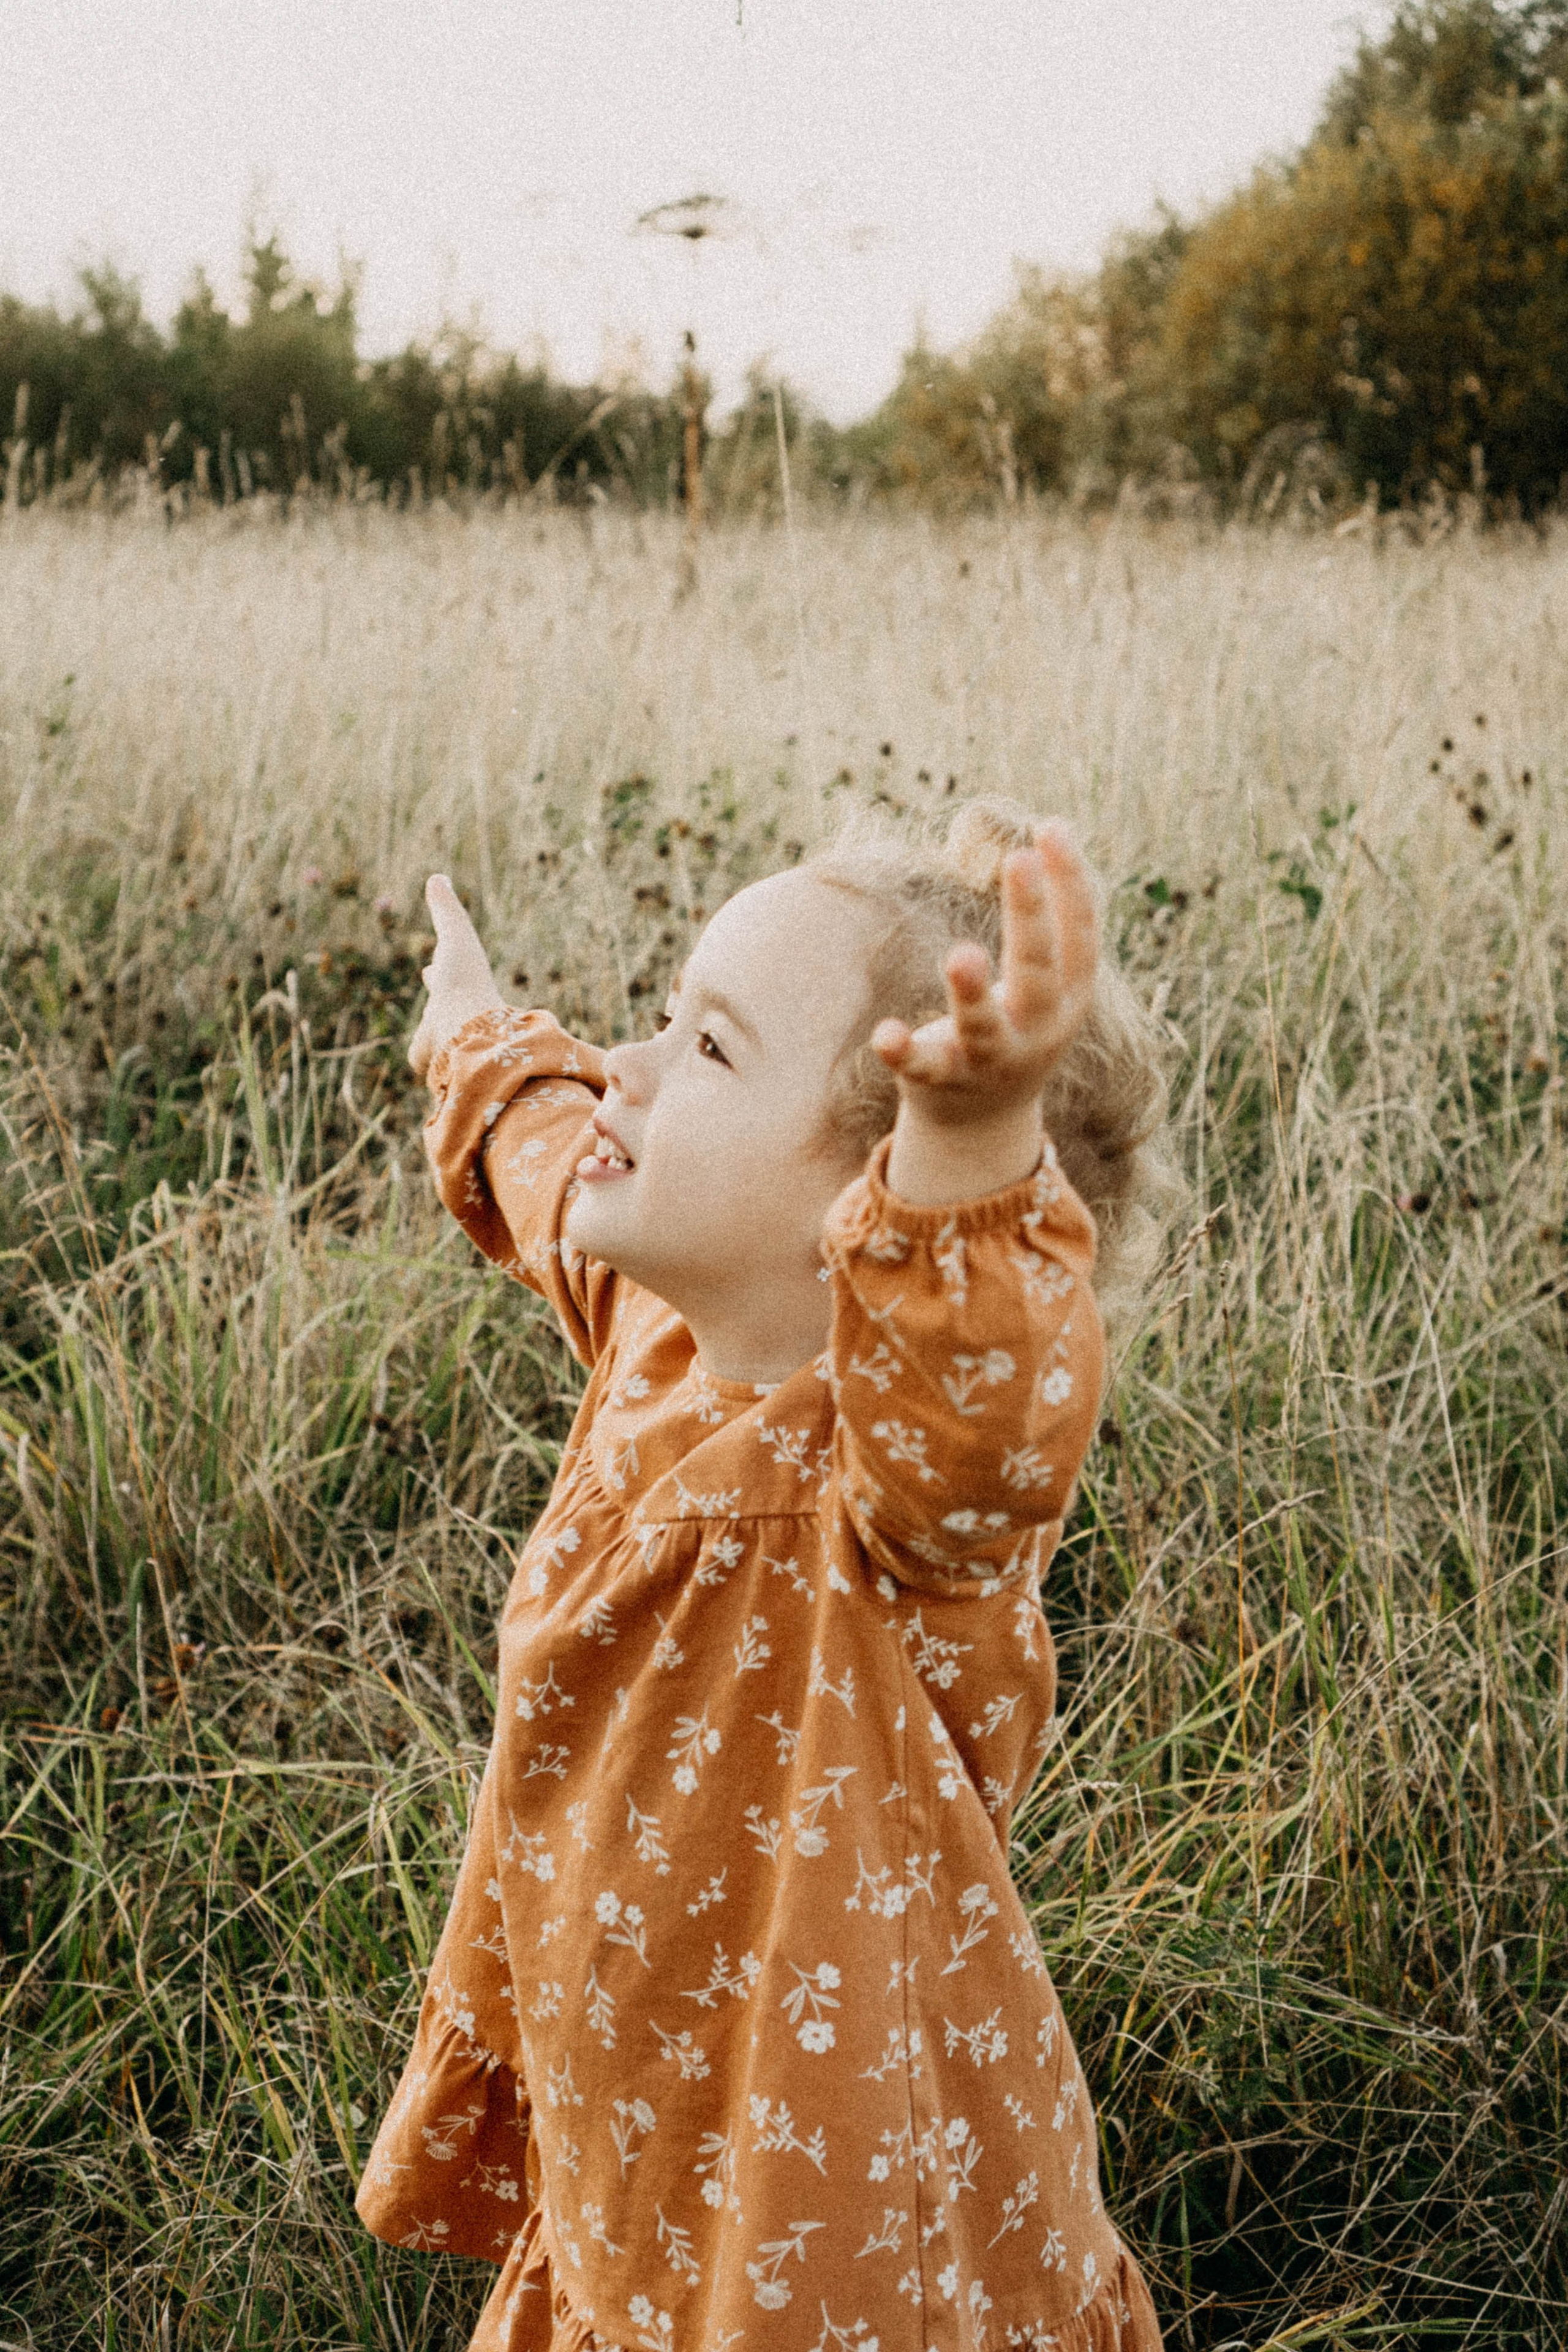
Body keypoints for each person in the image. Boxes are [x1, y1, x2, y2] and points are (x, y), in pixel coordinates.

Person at [355, 796, 1175, 2352]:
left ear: (854, 1228)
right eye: (661, 1017)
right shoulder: (660, 1336)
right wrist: (474, 1038)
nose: (632, 1066)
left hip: (853, 2247)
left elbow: (986, 1394)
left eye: (710, 1048)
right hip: (648, 2156)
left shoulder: (900, 1507)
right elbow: (545, 1162)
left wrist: (970, 1143)